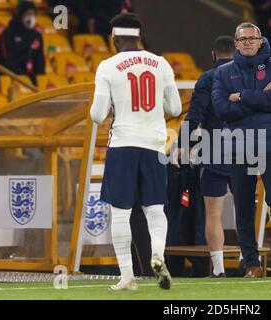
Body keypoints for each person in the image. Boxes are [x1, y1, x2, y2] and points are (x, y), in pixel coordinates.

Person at [90, 13, 182, 291]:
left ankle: (127, 276)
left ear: (115, 38)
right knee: (155, 209)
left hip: (123, 144)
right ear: (139, 35)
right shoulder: (161, 63)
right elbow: (175, 109)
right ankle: (157, 254)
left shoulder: (107, 66)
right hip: (154, 143)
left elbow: (96, 115)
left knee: (120, 213)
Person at [212, 22, 271, 278]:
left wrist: (242, 96)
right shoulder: (223, 72)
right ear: (236, 44)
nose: (248, 42)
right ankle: (252, 263)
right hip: (240, 144)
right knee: (244, 206)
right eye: (243, 39)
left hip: (270, 142)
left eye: (252, 38)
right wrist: (259, 97)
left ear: (261, 41)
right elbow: (222, 109)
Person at [177, 36, 235, 278]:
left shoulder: (208, 78)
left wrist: (182, 145)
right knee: (244, 210)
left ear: (214, 54)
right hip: (248, 146)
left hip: (215, 148)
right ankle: (249, 262)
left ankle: (219, 270)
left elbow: (195, 115)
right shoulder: (250, 76)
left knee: (213, 213)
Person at [0, 1, 45, 83]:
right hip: (12, 78)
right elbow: (7, 61)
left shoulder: (36, 36)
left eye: (33, 14)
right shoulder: (7, 34)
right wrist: (24, 77)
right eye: (27, 14)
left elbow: (40, 60)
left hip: (32, 79)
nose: (30, 17)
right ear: (20, 15)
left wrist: (39, 79)